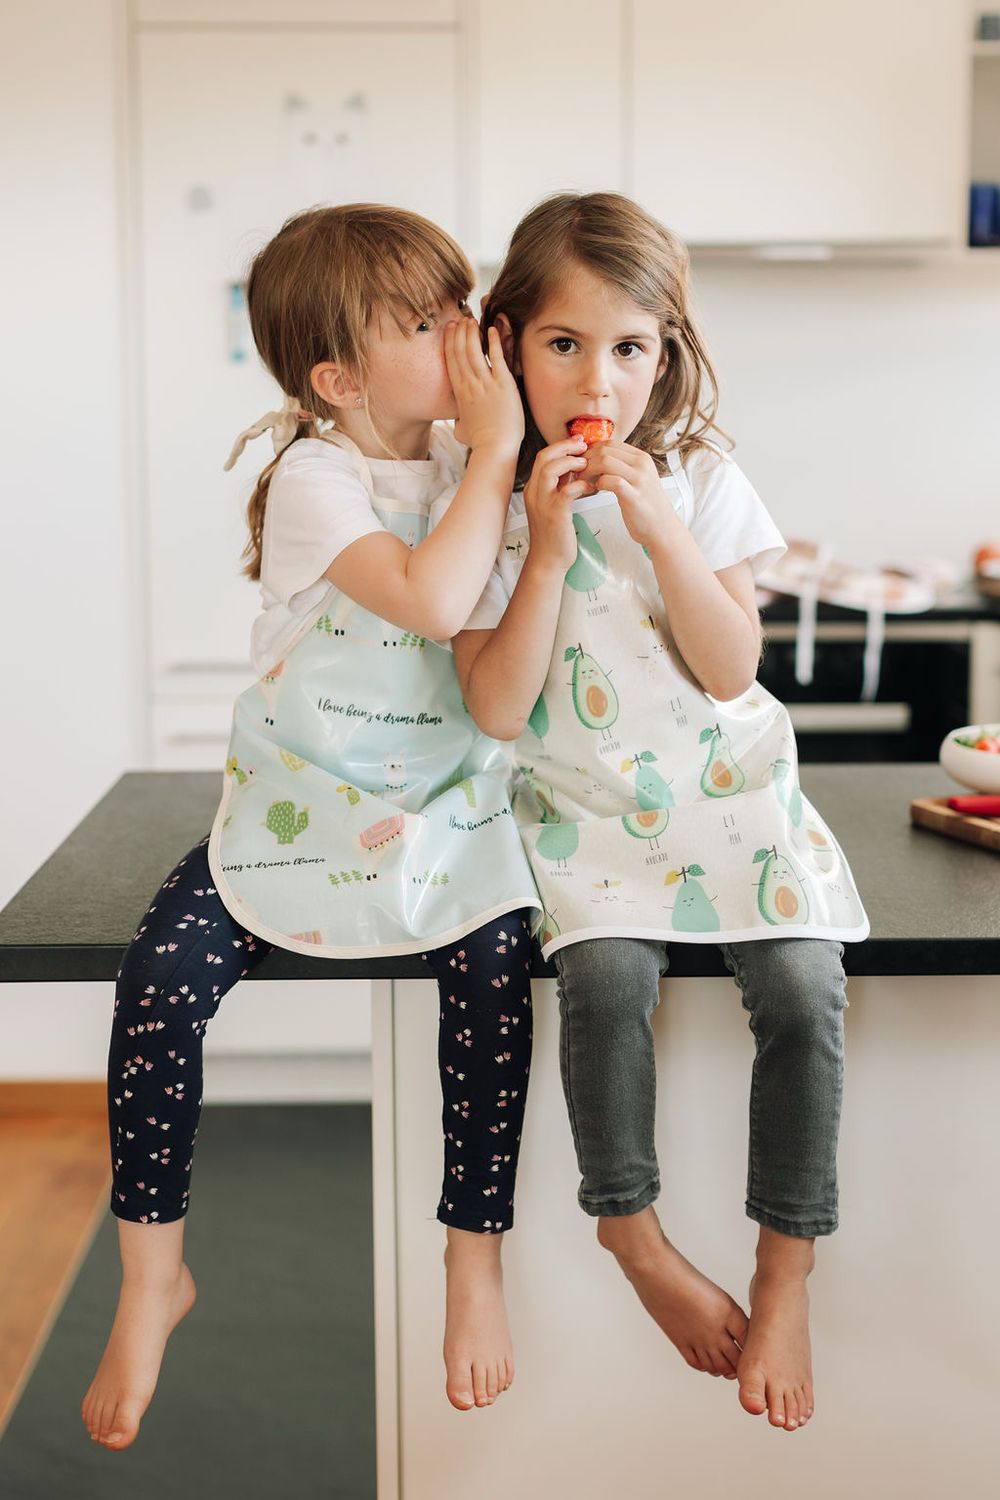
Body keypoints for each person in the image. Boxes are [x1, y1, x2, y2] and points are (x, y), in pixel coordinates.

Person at [82, 203, 541, 1450]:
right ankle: (149, 1279)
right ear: (336, 378)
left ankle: (471, 1260)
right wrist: (496, 458)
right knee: (160, 980)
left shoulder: (468, 459)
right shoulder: (316, 475)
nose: (464, 332)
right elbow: (431, 597)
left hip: (442, 811)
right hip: (302, 803)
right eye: (424, 321)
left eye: (461, 301)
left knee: (496, 979)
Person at [450, 192, 870, 1434]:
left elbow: (731, 664)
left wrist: (657, 526)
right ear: (508, 343)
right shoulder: (483, 495)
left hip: (731, 799)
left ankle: (784, 1271)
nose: (600, 376)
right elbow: (495, 704)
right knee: (604, 988)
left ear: (666, 355)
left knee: (801, 989)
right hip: (587, 814)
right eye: (565, 344)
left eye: (630, 347)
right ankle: (630, 1236)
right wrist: (538, 545)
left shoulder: (702, 478)